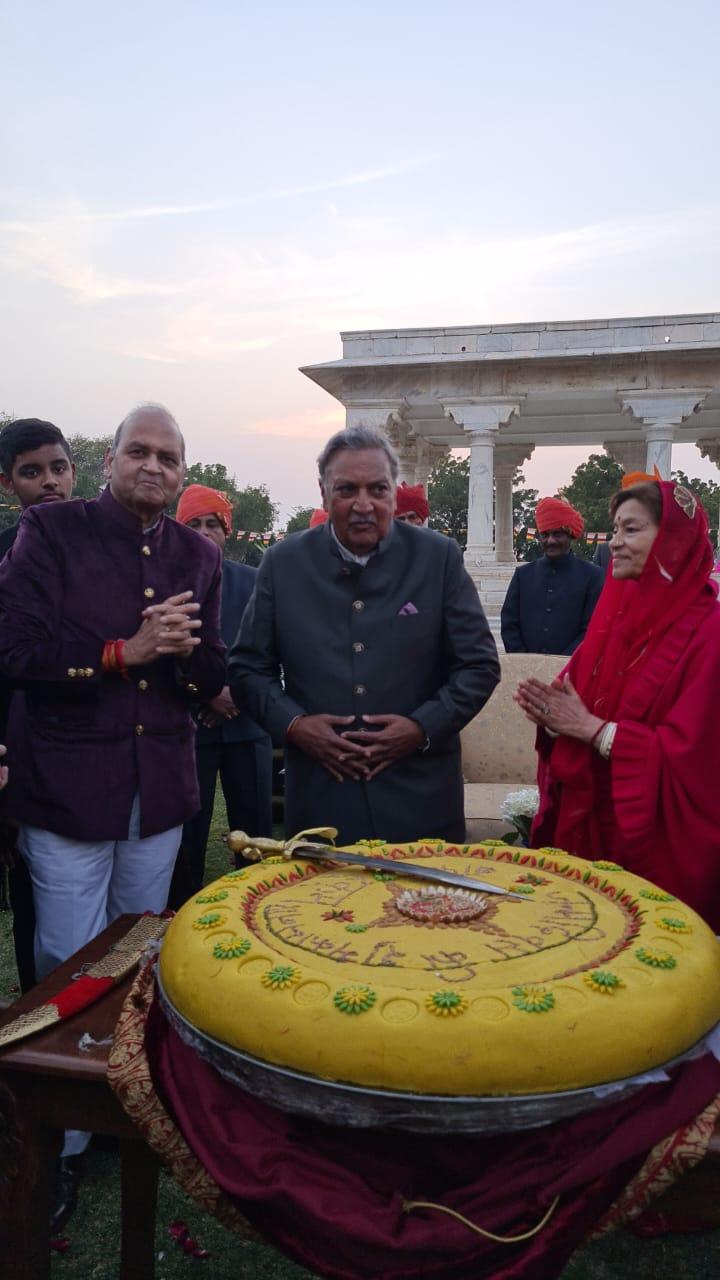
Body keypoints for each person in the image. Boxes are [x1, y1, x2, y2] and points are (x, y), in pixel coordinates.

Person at [0, 403, 226, 1228]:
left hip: (156, 789)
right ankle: (52, 1143)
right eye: (141, 451)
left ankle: (125, 1107)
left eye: (170, 455)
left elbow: (208, 671)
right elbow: (12, 651)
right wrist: (120, 652)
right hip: (66, 788)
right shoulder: (54, 535)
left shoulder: (198, 553)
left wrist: (189, 655)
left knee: (137, 953)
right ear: (111, 461)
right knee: (66, 959)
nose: (155, 466)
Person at [229, 425, 500, 845]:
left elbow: (479, 666)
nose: (363, 505)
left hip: (421, 794)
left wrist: (419, 728)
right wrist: (296, 726)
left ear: (394, 491)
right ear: (323, 493)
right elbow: (247, 669)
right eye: (346, 489)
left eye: (377, 489)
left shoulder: (437, 558)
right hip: (323, 798)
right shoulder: (283, 565)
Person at [514, 479, 720, 930]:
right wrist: (554, 720)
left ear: (672, 540)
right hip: (593, 826)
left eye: (631, 530)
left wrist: (597, 731)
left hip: (650, 845)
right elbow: (575, 704)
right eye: (614, 530)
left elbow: (699, 763)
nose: (615, 543)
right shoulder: (616, 616)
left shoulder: (710, 633)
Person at [0, 418, 77, 992]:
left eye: (57, 468)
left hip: (94, 747)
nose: (48, 482)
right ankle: (35, 1026)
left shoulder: (113, 549)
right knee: (32, 894)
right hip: (16, 754)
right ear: (8, 484)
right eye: (32, 472)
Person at [175, 483, 273, 892]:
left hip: (247, 724)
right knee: (186, 837)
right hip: (187, 727)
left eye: (212, 523)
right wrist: (206, 692)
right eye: (193, 524)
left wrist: (234, 694)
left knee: (255, 837)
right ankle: (178, 922)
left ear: (226, 529)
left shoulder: (253, 581)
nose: (203, 532)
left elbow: (273, 650)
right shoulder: (165, 585)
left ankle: (260, 909)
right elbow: (161, 655)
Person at [501, 496, 603, 654]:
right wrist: (524, 661)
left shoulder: (592, 576)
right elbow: (509, 624)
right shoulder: (523, 575)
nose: (551, 541)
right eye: (545, 535)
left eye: (558, 535)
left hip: (571, 671)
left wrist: (559, 667)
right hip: (526, 671)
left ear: (570, 536)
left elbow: (592, 628)